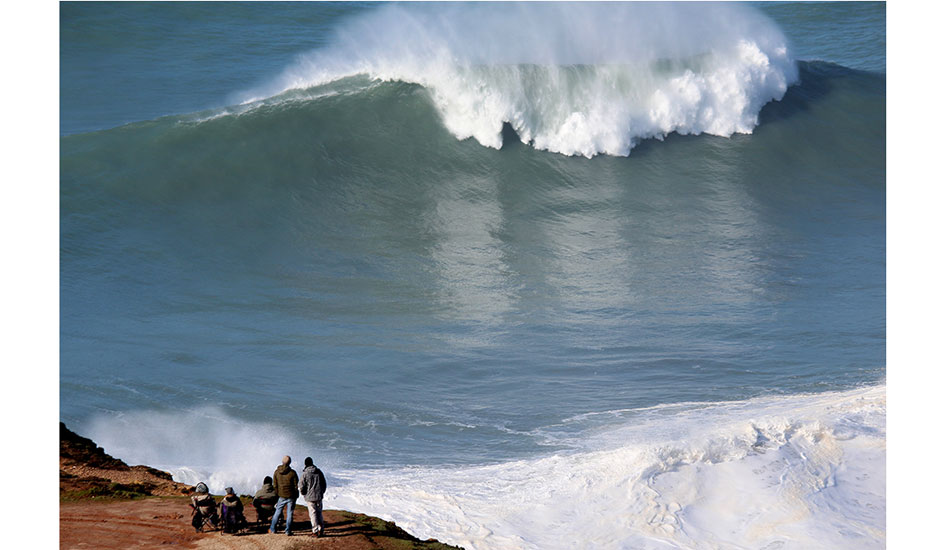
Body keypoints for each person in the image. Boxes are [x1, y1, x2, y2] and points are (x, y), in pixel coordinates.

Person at [298, 457, 328, 537]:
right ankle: (321, 530)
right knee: (319, 513)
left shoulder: (305, 474)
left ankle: (315, 531)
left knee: (313, 514)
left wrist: (303, 493)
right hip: (318, 496)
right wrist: (321, 492)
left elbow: (301, 486)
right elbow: (324, 484)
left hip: (310, 498)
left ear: (305, 464)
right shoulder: (318, 471)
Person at [269, 455, 299, 535]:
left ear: (282, 462)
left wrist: (278, 493)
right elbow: (296, 486)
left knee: (277, 512)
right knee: (289, 513)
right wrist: (296, 495)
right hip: (291, 496)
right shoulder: (293, 473)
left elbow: (275, 485)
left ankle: (272, 529)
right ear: (290, 463)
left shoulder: (276, 472)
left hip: (281, 496)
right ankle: (288, 531)